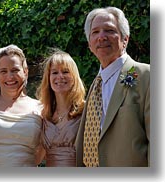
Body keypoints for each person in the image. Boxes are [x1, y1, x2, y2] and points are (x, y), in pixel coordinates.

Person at [75, 7, 150, 167]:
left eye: (109, 30)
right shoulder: (96, 84)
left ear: (125, 39)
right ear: (89, 44)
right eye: (95, 32)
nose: (101, 37)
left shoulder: (147, 75)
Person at [0, 45, 43, 167]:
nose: (10, 77)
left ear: (25, 71)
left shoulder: (39, 107)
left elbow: (42, 153)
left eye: (15, 70)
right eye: (4, 71)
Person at [36, 49, 86, 167]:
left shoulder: (86, 110)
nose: (60, 77)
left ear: (74, 76)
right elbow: (37, 157)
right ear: (48, 78)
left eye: (65, 71)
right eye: (54, 73)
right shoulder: (43, 114)